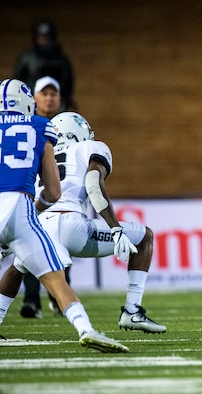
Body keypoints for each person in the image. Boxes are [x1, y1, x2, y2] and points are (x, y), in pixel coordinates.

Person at [0, 112, 166, 334]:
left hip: (39, 226)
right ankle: (131, 311)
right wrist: (115, 228)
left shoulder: (41, 152)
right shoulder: (89, 147)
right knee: (144, 236)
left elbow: (40, 196)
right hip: (73, 225)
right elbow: (93, 184)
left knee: (18, 265)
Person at [0, 78, 127, 352]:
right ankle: (86, 328)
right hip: (22, 207)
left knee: (17, 267)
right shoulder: (40, 127)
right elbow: (53, 193)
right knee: (55, 279)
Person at [18, 76, 65, 318]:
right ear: (34, 99)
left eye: (53, 94)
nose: (49, 98)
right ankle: (33, 299)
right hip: (31, 194)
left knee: (59, 245)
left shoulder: (66, 123)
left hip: (55, 197)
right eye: (43, 94)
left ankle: (58, 300)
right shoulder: (35, 125)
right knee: (29, 249)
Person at [14, 19, 76, 111]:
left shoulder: (61, 60)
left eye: (47, 38)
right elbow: (17, 81)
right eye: (41, 37)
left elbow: (68, 83)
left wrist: (63, 100)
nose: (44, 41)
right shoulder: (27, 58)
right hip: (30, 104)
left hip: (56, 106)